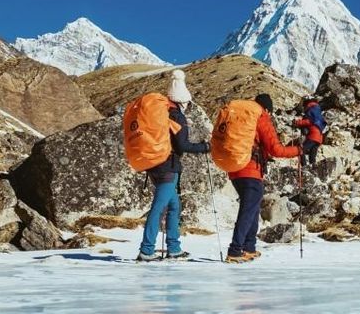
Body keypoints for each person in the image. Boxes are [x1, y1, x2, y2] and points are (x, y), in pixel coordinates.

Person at [137, 70, 210, 262]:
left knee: (173, 206)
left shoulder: (161, 113)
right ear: (182, 101)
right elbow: (182, 145)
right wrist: (205, 147)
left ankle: (174, 247)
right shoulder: (177, 116)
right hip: (167, 167)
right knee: (159, 208)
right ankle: (146, 250)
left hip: (153, 165)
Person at [226, 93, 301, 262]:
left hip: (234, 168)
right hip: (251, 169)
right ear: (267, 108)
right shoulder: (260, 117)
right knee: (248, 209)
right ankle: (235, 249)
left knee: (252, 207)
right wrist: (298, 150)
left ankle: (249, 247)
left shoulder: (241, 117)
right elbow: (276, 149)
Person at [294, 97, 324, 167]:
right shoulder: (317, 113)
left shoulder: (311, 112)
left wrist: (297, 122)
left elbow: (308, 122)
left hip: (313, 136)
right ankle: (313, 170)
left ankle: (304, 167)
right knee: (312, 156)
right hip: (319, 138)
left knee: (301, 150)